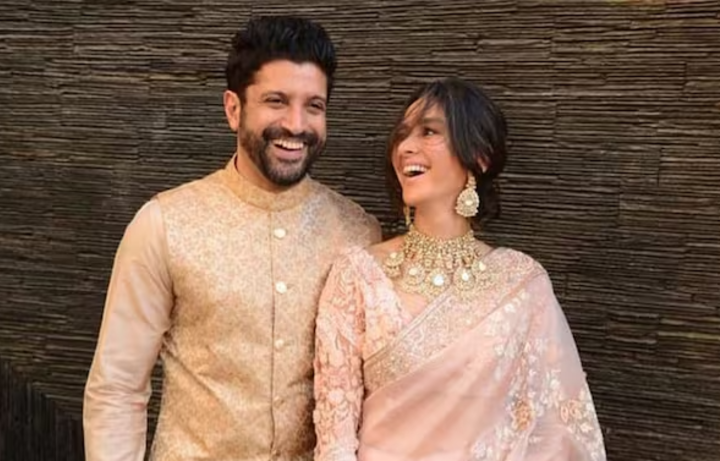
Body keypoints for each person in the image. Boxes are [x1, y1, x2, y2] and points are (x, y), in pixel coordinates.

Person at [83, 16, 381, 461]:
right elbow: (118, 388)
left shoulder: (359, 233)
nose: (296, 124)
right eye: (276, 101)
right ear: (233, 109)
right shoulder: (165, 224)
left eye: (314, 106)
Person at [313, 77, 606, 461]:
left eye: (429, 132)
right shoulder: (359, 274)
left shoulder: (520, 284)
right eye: (402, 134)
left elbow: (557, 428)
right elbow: (334, 441)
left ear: (479, 157)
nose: (405, 147)